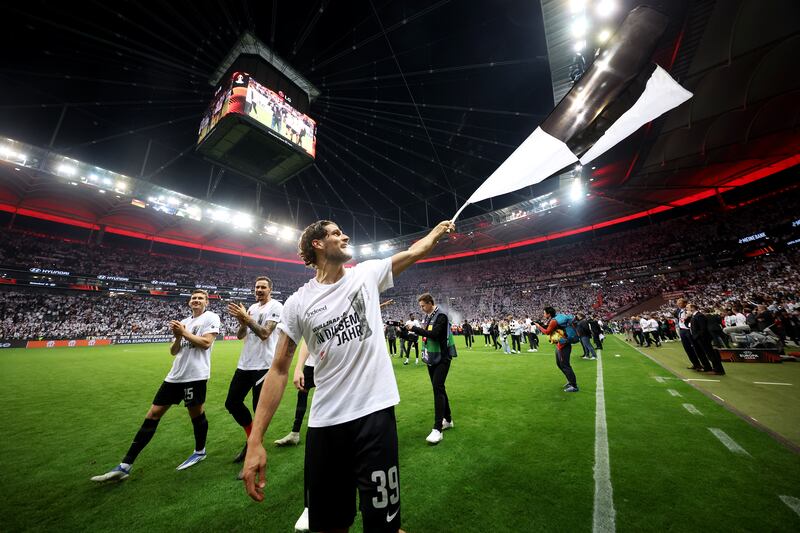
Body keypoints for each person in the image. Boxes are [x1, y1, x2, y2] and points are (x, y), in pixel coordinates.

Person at [242, 219, 454, 533]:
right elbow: (279, 368)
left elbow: (414, 251)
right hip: (326, 424)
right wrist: (255, 441)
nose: (345, 235)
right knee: (327, 525)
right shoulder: (298, 303)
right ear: (317, 243)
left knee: (385, 526)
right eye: (336, 233)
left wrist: (436, 233)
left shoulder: (366, 274)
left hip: (375, 417)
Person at [91, 290, 220, 482]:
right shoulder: (185, 321)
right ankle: (125, 466)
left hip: (195, 376)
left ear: (207, 302)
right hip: (175, 376)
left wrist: (183, 332)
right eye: (193, 298)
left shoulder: (211, 317)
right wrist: (178, 336)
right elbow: (173, 351)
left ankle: (200, 451)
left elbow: (206, 343)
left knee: (196, 414)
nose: (196, 300)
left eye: (200, 298)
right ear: (189, 302)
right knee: (153, 414)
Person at [225, 277, 283, 469]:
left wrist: (247, 318)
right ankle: (251, 438)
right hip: (245, 363)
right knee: (232, 402)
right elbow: (241, 335)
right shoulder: (251, 308)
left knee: (259, 409)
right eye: (257, 287)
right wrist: (243, 321)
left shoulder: (275, 306)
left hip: (263, 365)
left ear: (270, 289)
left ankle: (253, 449)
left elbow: (265, 333)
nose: (259, 290)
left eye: (263, 287)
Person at [406, 293, 456, 445]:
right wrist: (405, 333)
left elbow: (434, 334)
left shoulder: (441, 316)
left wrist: (415, 328)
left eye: (423, 306)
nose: (421, 309)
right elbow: (424, 336)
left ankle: (437, 429)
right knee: (439, 388)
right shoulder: (428, 317)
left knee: (437, 389)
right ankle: (447, 420)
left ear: (430, 303)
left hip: (442, 357)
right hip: (431, 357)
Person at [536, 306, 578, 392]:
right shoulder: (555, 319)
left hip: (563, 345)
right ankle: (570, 381)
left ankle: (574, 386)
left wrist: (538, 327)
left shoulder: (554, 321)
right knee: (560, 364)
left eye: (544, 313)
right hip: (560, 344)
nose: (543, 314)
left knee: (565, 365)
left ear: (548, 314)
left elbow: (547, 332)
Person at [686, 304, 725, 375]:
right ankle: (708, 368)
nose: (686, 309)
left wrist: (697, 336)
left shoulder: (699, 315)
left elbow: (703, 328)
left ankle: (718, 370)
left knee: (710, 354)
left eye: (688, 307)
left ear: (693, 308)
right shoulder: (694, 316)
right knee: (704, 354)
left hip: (703, 338)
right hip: (698, 338)